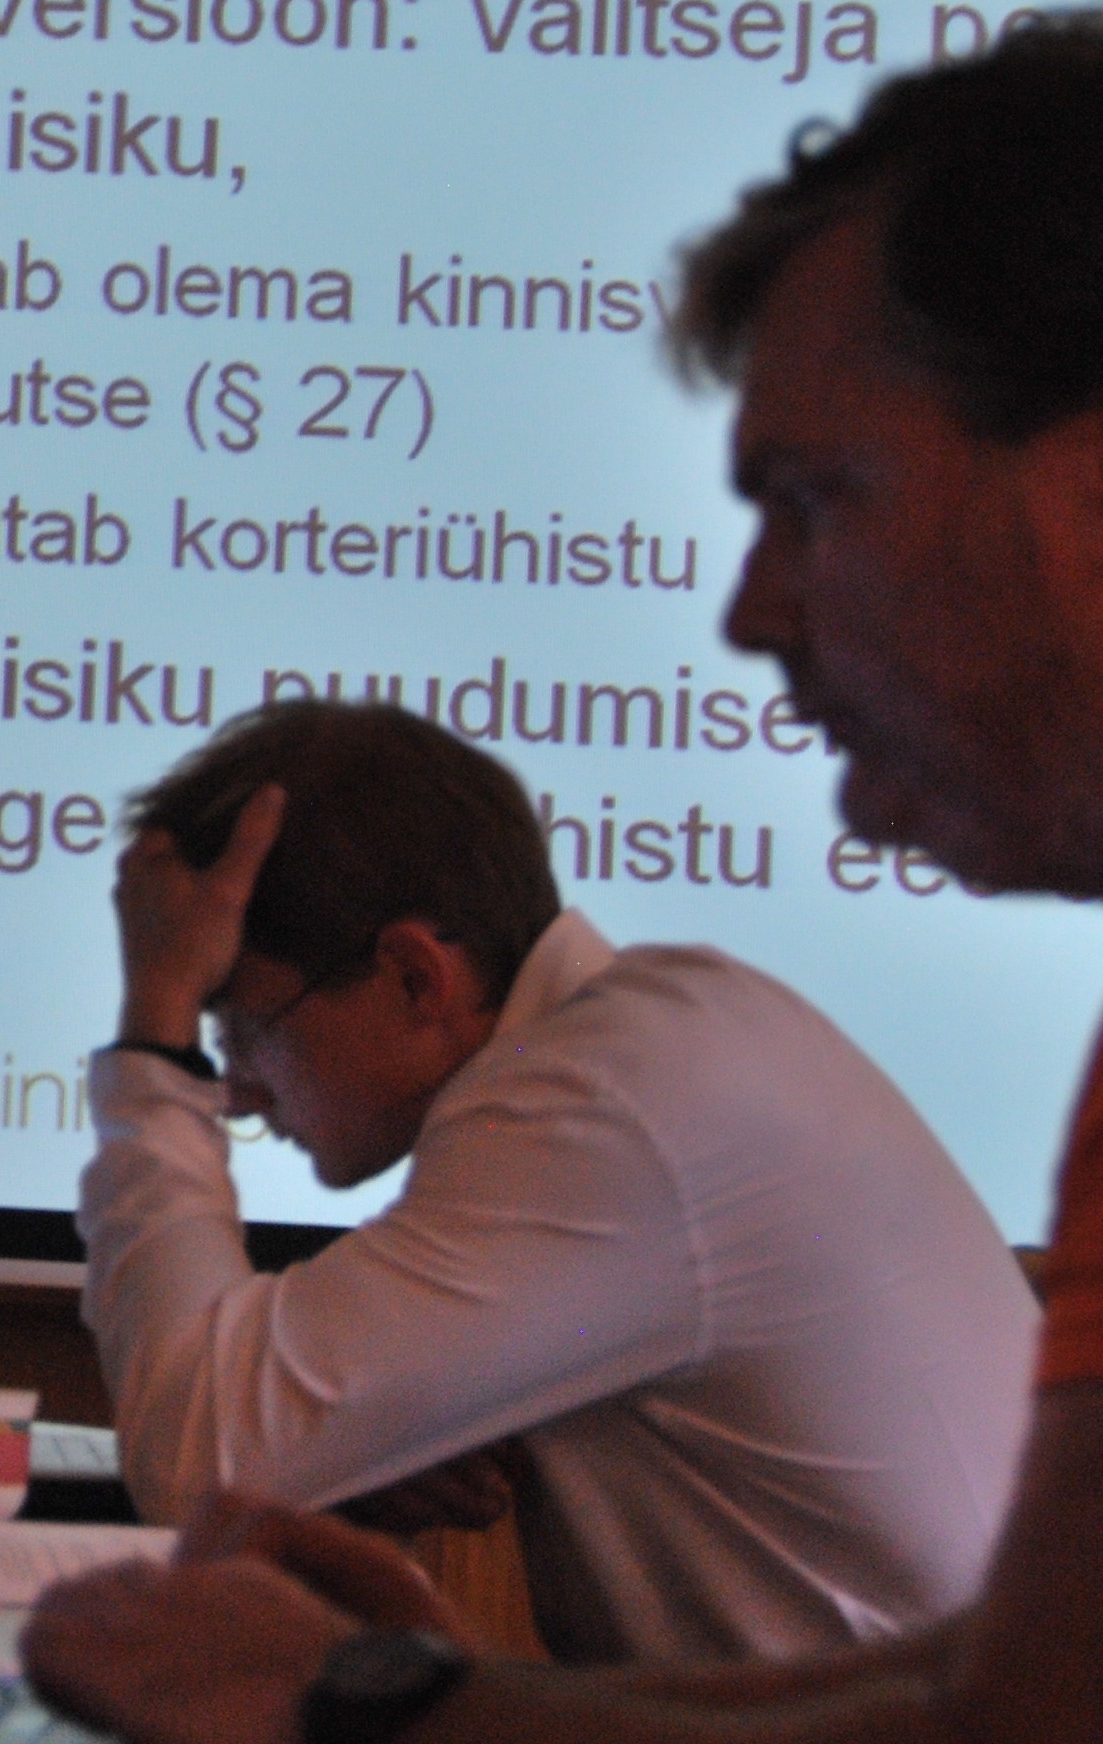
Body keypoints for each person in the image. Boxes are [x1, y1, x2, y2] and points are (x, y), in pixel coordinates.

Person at [22, 13, 1103, 1744]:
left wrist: (376, 1710)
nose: (750, 612)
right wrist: (434, 1689)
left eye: (816, 500)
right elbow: (1005, 1681)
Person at [87, 700, 1034, 1665]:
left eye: (245, 1026)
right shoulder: (653, 1035)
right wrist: (380, 1443)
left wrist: (155, 1032)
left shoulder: (601, 1103)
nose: (238, 1090)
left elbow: (195, 1456)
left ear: (416, 977)